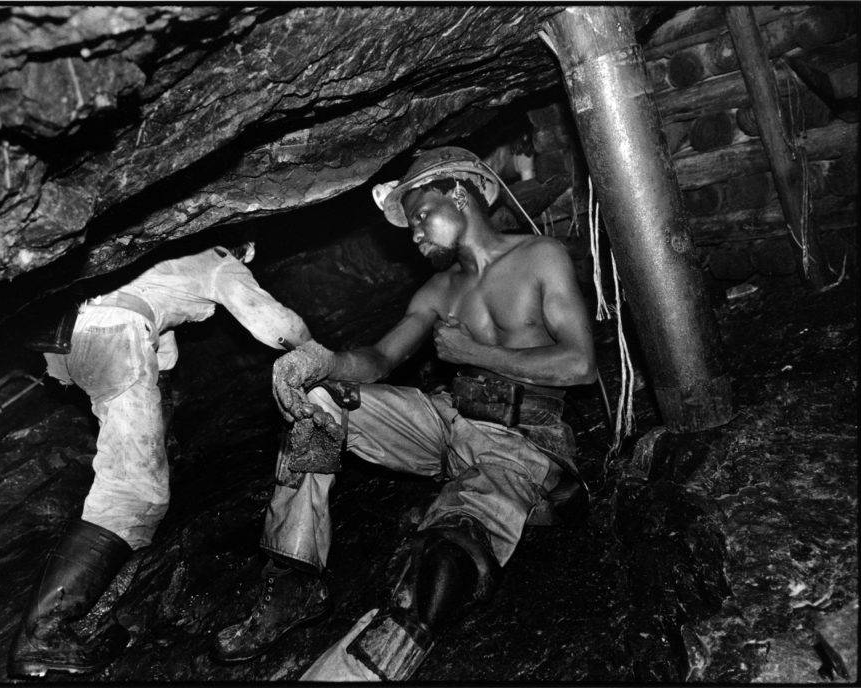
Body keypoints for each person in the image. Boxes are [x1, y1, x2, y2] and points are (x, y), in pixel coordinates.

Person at [211, 146, 596, 680]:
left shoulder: (540, 257)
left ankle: (369, 667)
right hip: (446, 421)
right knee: (320, 403)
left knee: (445, 560)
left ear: (459, 194)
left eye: (420, 216)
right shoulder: (437, 289)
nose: (414, 234)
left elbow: (580, 365)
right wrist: (323, 360)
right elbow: (381, 359)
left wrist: (479, 355)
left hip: (520, 437)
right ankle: (295, 579)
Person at [7, 240, 311, 679]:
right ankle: (43, 636)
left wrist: (161, 433)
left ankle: (78, 621)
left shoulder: (167, 258)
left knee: (129, 473)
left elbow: (162, 353)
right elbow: (276, 324)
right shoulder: (219, 260)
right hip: (115, 333)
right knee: (136, 493)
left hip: (68, 343)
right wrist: (317, 354)